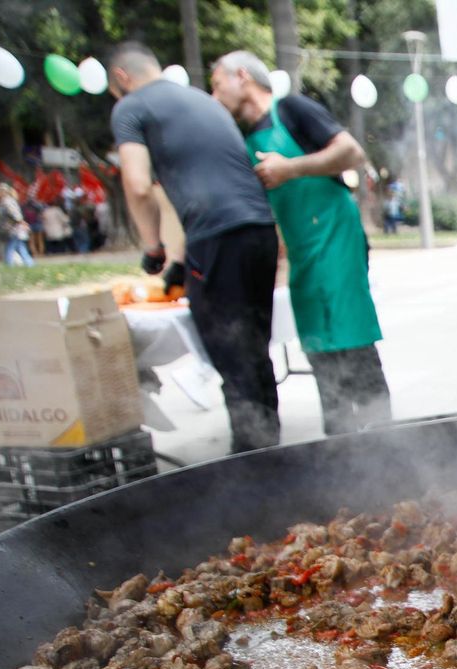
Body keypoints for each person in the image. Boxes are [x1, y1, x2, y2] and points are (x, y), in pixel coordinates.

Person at [108, 40, 281, 453]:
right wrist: (183, 265)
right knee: (254, 348)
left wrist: (154, 248)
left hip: (218, 239)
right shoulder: (204, 102)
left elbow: (137, 185)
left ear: (121, 78)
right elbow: (207, 181)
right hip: (259, 232)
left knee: (231, 352)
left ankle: (253, 463)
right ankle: (273, 454)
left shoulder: (130, 107)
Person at [211, 50, 391, 436]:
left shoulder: (292, 109)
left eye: (216, 85)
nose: (214, 96)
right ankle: (339, 438)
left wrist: (289, 168)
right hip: (300, 248)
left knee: (349, 334)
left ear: (242, 76)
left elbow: (352, 153)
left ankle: (383, 435)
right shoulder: (242, 138)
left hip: (334, 235)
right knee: (317, 342)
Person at [0, 184, 33, 266]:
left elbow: (15, 214)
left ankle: (9, 264)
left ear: (3, 192)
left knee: (10, 247)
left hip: (12, 228)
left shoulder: (7, 202)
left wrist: (22, 222)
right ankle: (30, 263)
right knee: (20, 247)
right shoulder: (2, 202)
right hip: (11, 228)